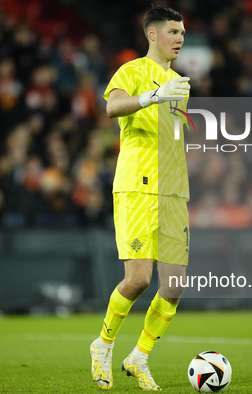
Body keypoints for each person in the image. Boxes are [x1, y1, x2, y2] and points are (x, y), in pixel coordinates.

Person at [90, 6, 191, 391]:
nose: (180, 38)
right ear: (152, 34)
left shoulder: (180, 84)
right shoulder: (130, 72)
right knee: (138, 280)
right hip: (136, 186)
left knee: (175, 285)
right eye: (173, 31)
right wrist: (152, 96)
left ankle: (140, 357)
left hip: (171, 193)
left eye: (182, 32)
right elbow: (112, 107)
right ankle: (103, 344)